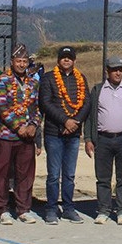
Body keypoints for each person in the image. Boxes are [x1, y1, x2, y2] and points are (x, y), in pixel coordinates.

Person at [84, 56, 122, 225]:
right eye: (114, 69)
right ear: (107, 71)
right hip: (103, 140)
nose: (118, 72)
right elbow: (90, 117)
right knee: (103, 178)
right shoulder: (98, 90)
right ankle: (103, 210)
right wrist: (88, 138)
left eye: (120, 69)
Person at [39, 46, 91, 224]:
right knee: (54, 174)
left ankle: (69, 208)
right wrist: (64, 121)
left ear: (74, 60)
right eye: (63, 57)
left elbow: (86, 103)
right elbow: (45, 103)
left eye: (70, 57)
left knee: (69, 174)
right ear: (58, 60)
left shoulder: (81, 78)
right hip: (54, 133)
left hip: (74, 134)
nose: (66, 60)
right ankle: (51, 209)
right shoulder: (48, 78)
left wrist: (75, 122)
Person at [0, 43, 42, 225]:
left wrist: (34, 126)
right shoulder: (2, 80)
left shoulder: (34, 82)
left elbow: (37, 108)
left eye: (24, 61)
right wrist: (17, 126)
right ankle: (2, 209)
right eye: (18, 61)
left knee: (25, 173)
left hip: (27, 136)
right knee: (2, 173)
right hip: (6, 134)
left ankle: (23, 208)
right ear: (12, 61)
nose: (21, 64)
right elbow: (0, 106)